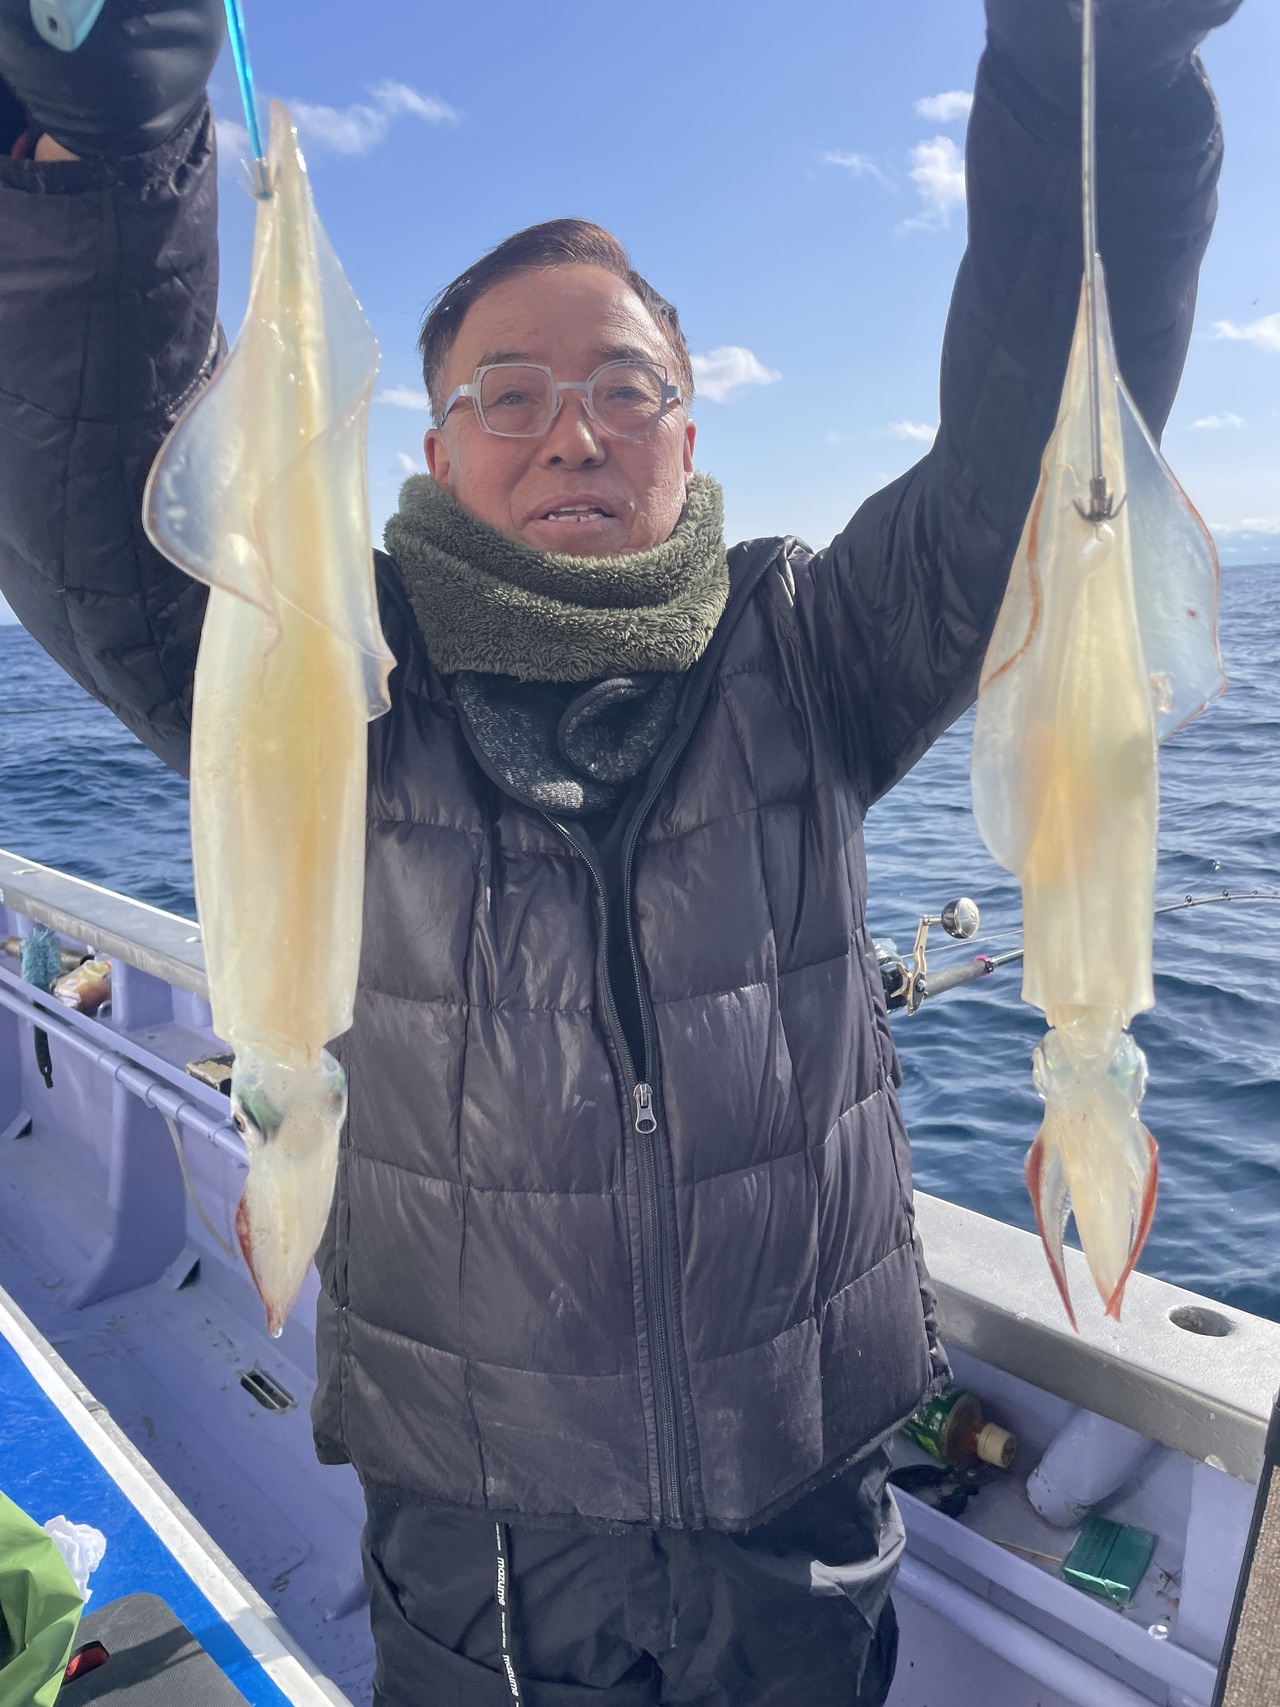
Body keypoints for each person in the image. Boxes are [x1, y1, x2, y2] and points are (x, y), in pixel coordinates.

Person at [0, 2, 1240, 1701]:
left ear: (689, 435)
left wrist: (1100, 67)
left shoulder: (816, 649)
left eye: (624, 388)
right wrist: (98, 130)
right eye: (508, 394)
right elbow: (94, 501)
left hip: (804, 1499)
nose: (571, 431)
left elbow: (1038, 460)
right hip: (487, 1536)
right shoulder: (331, 673)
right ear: (434, 450)